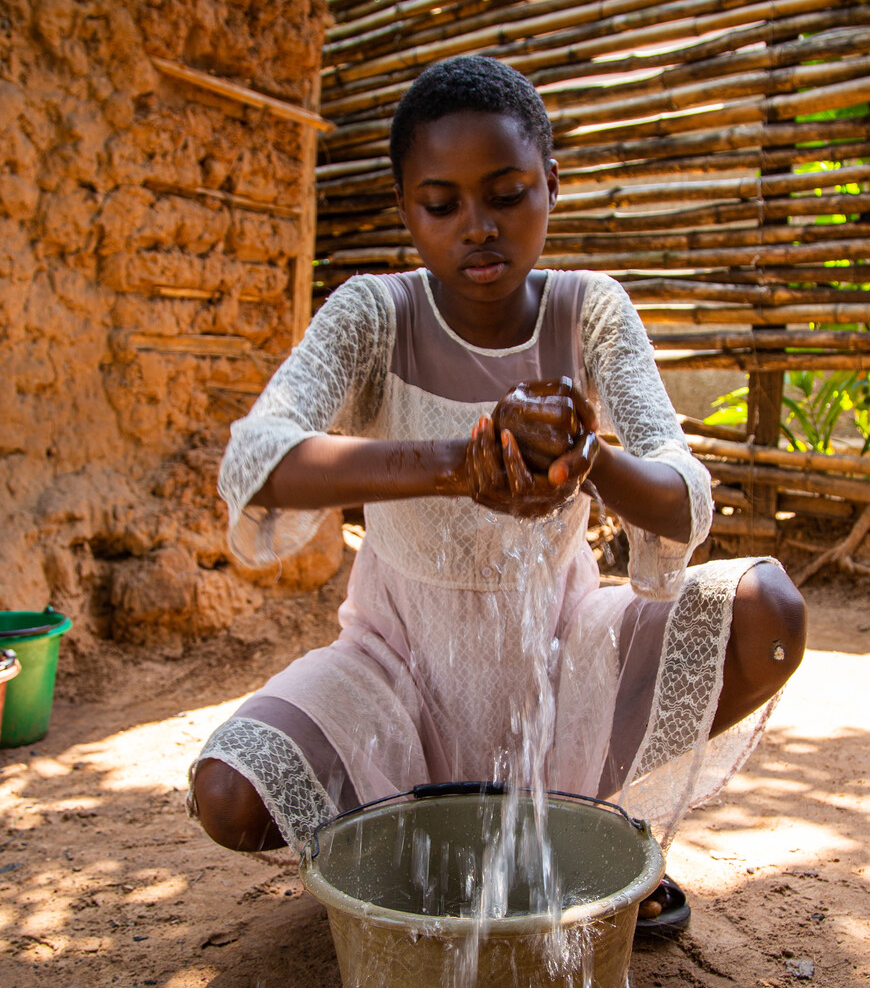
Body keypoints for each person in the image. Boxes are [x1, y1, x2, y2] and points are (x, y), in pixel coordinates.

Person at [187, 55, 805, 929]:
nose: (477, 227)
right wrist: (458, 463)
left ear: (552, 182)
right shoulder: (375, 314)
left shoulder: (589, 309)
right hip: (393, 665)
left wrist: (590, 460)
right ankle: (426, 841)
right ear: (408, 210)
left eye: (508, 194)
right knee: (230, 793)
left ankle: (588, 819)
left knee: (768, 612)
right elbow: (259, 456)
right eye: (441, 205)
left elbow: (682, 492)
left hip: (562, 656)